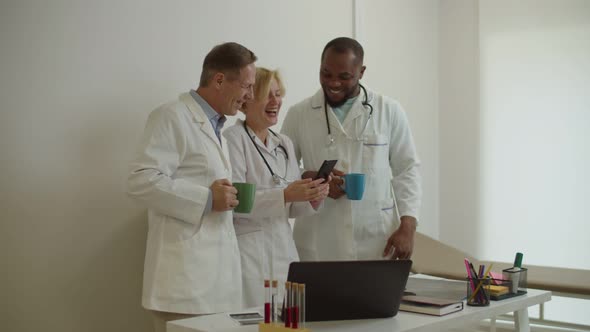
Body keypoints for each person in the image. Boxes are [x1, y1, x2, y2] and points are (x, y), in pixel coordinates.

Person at [127, 42, 256, 332]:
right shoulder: (171, 116)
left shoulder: (217, 127)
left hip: (216, 286)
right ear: (219, 80)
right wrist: (207, 198)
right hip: (183, 288)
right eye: (247, 86)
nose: (250, 95)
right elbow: (140, 181)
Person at [281, 37, 422, 261]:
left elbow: (407, 170)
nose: (333, 83)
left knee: (375, 296)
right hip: (318, 239)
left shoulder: (389, 110)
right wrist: (312, 178)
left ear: (361, 72)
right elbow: (280, 171)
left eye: (344, 76)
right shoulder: (299, 114)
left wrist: (408, 226)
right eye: (326, 74)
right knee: (321, 296)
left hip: (375, 240)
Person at [223, 68, 330, 308]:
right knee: (256, 322)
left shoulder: (284, 143)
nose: (276, 102)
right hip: (250, 252)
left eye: (278, 94)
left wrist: (313, 196)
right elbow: (237, 204)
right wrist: (285, 194)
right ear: (246, 102)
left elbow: (291, 207)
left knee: (288, 320)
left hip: (284, 251)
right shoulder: (232, 139)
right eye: (267, 95)